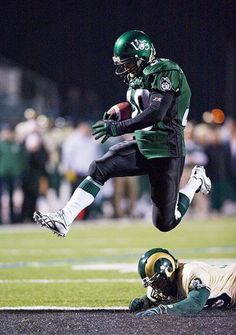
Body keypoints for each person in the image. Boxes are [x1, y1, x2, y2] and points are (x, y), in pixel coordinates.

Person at [33, 29, 211, 236]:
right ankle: (65, 217)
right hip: (144, 144)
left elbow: (157, 112)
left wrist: (119, 128)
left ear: (142, 57)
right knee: (101, 167)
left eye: (128, 62)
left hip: (166, 149)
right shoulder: (140, 75)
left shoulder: (166, 71)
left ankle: (196, 181)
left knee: (165, 222)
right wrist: (122, 110)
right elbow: (141, 103)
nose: (125, 68)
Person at [129, 248, 236, 317]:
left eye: (158, 283)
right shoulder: (161, 285)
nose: (156, 288)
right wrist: (142, 302)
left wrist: (163, 310)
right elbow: (150, 299)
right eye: (153, 284)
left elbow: (195, 303)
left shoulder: (191, 272)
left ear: (169, 271)